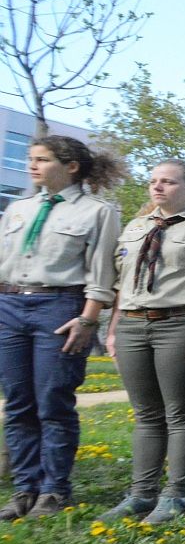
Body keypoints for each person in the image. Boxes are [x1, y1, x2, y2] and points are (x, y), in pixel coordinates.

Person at [0, 136, 123, 520]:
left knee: (53, 401)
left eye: (42, 160)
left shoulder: (97, 212)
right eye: (30, 159)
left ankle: (53, 491)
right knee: (18, 403)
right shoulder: (17, 209)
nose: (31, 166)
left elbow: (101, 273)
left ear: (71, 166)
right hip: (10, 306)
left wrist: (88, 318)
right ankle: (24, 489)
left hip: (60, 307)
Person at [101, 160, 185, 525]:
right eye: (154, 181)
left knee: (180, 411)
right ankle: (141, 494)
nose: (158, 187)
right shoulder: (135, 227)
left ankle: (175, 495)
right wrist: (112, 329)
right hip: (131, 324)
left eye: (168, 182)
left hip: (182, 324)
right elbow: (120, 284)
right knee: (145, 414)